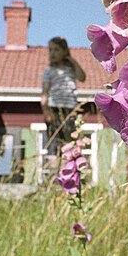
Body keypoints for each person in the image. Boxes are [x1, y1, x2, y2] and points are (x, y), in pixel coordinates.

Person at [40, 37, 86, 169]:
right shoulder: (49, 71)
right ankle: (54, 173)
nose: (52, 53)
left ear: (65, 51)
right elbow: (45, 92)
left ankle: (70, 169)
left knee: (70, 141)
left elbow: (82, 77)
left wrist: (71, 60)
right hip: (54, 109)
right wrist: (46, 110)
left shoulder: (70, 69)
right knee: (54, 142)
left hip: (70, 109)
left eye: (56, 50)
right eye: (50, 50)